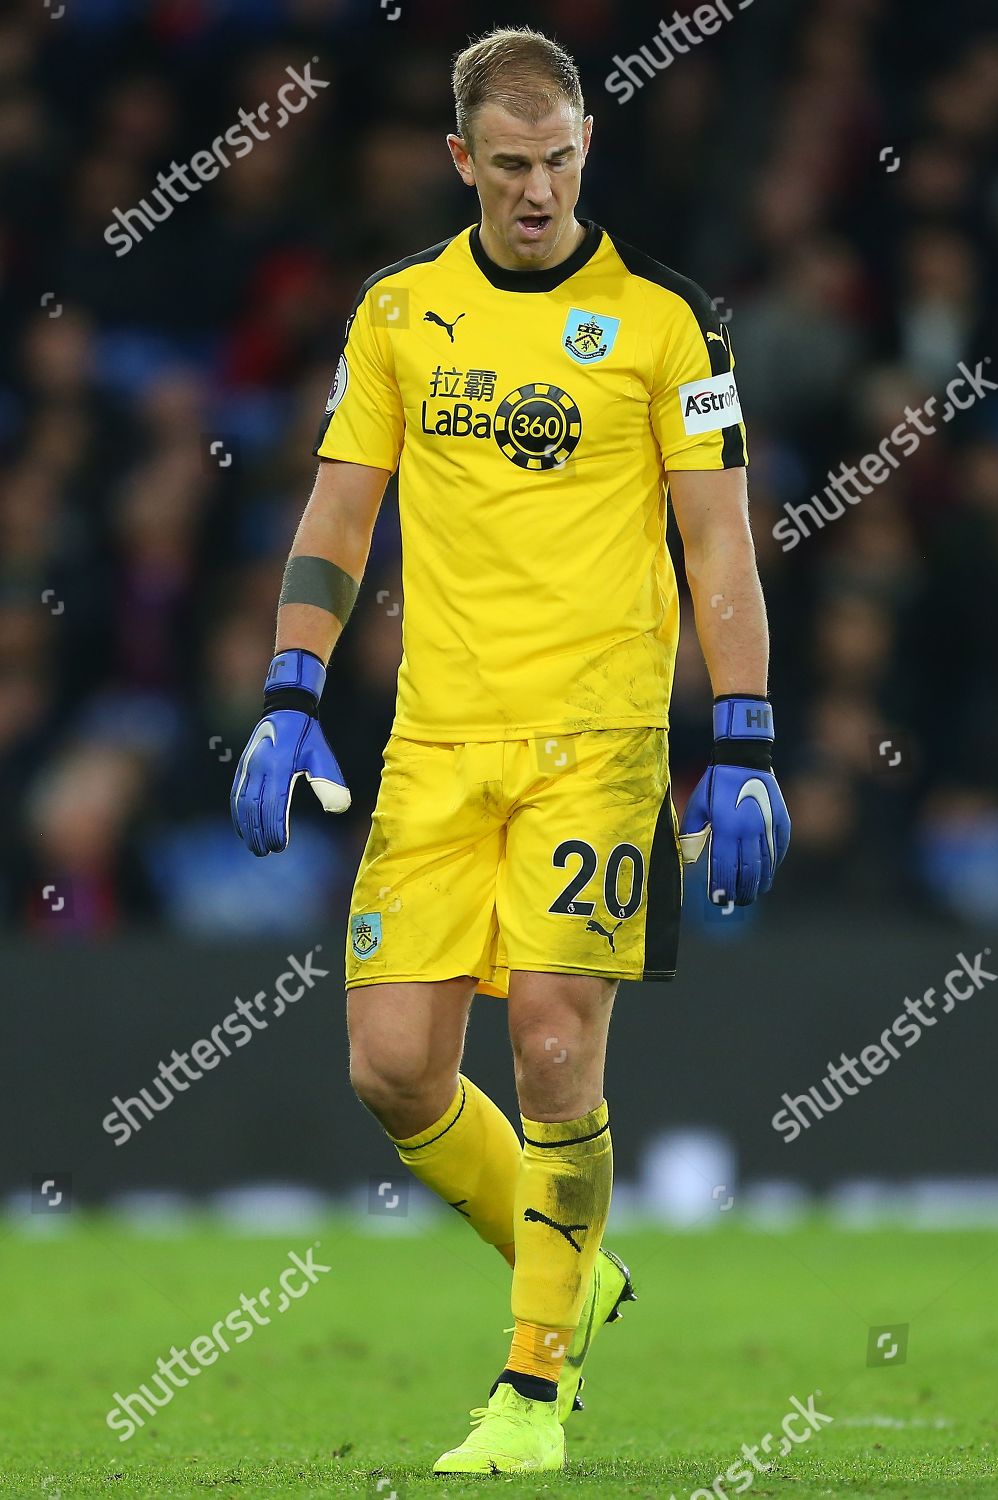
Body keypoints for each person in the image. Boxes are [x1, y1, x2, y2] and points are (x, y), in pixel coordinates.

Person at [230, 25, 789, 1474]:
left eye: (559, 161)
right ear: (460, 160)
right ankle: (572, 1260)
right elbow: (341, 513)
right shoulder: (401, 313)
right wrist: (290, 691)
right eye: (510, 166)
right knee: (395, 1070)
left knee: (551, 1034)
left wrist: (744, 734)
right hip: (436, 737)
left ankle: (534, 1390)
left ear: (586, 149)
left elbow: (717, 534)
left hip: (596, 740)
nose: (537, 191)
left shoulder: (671, 322)